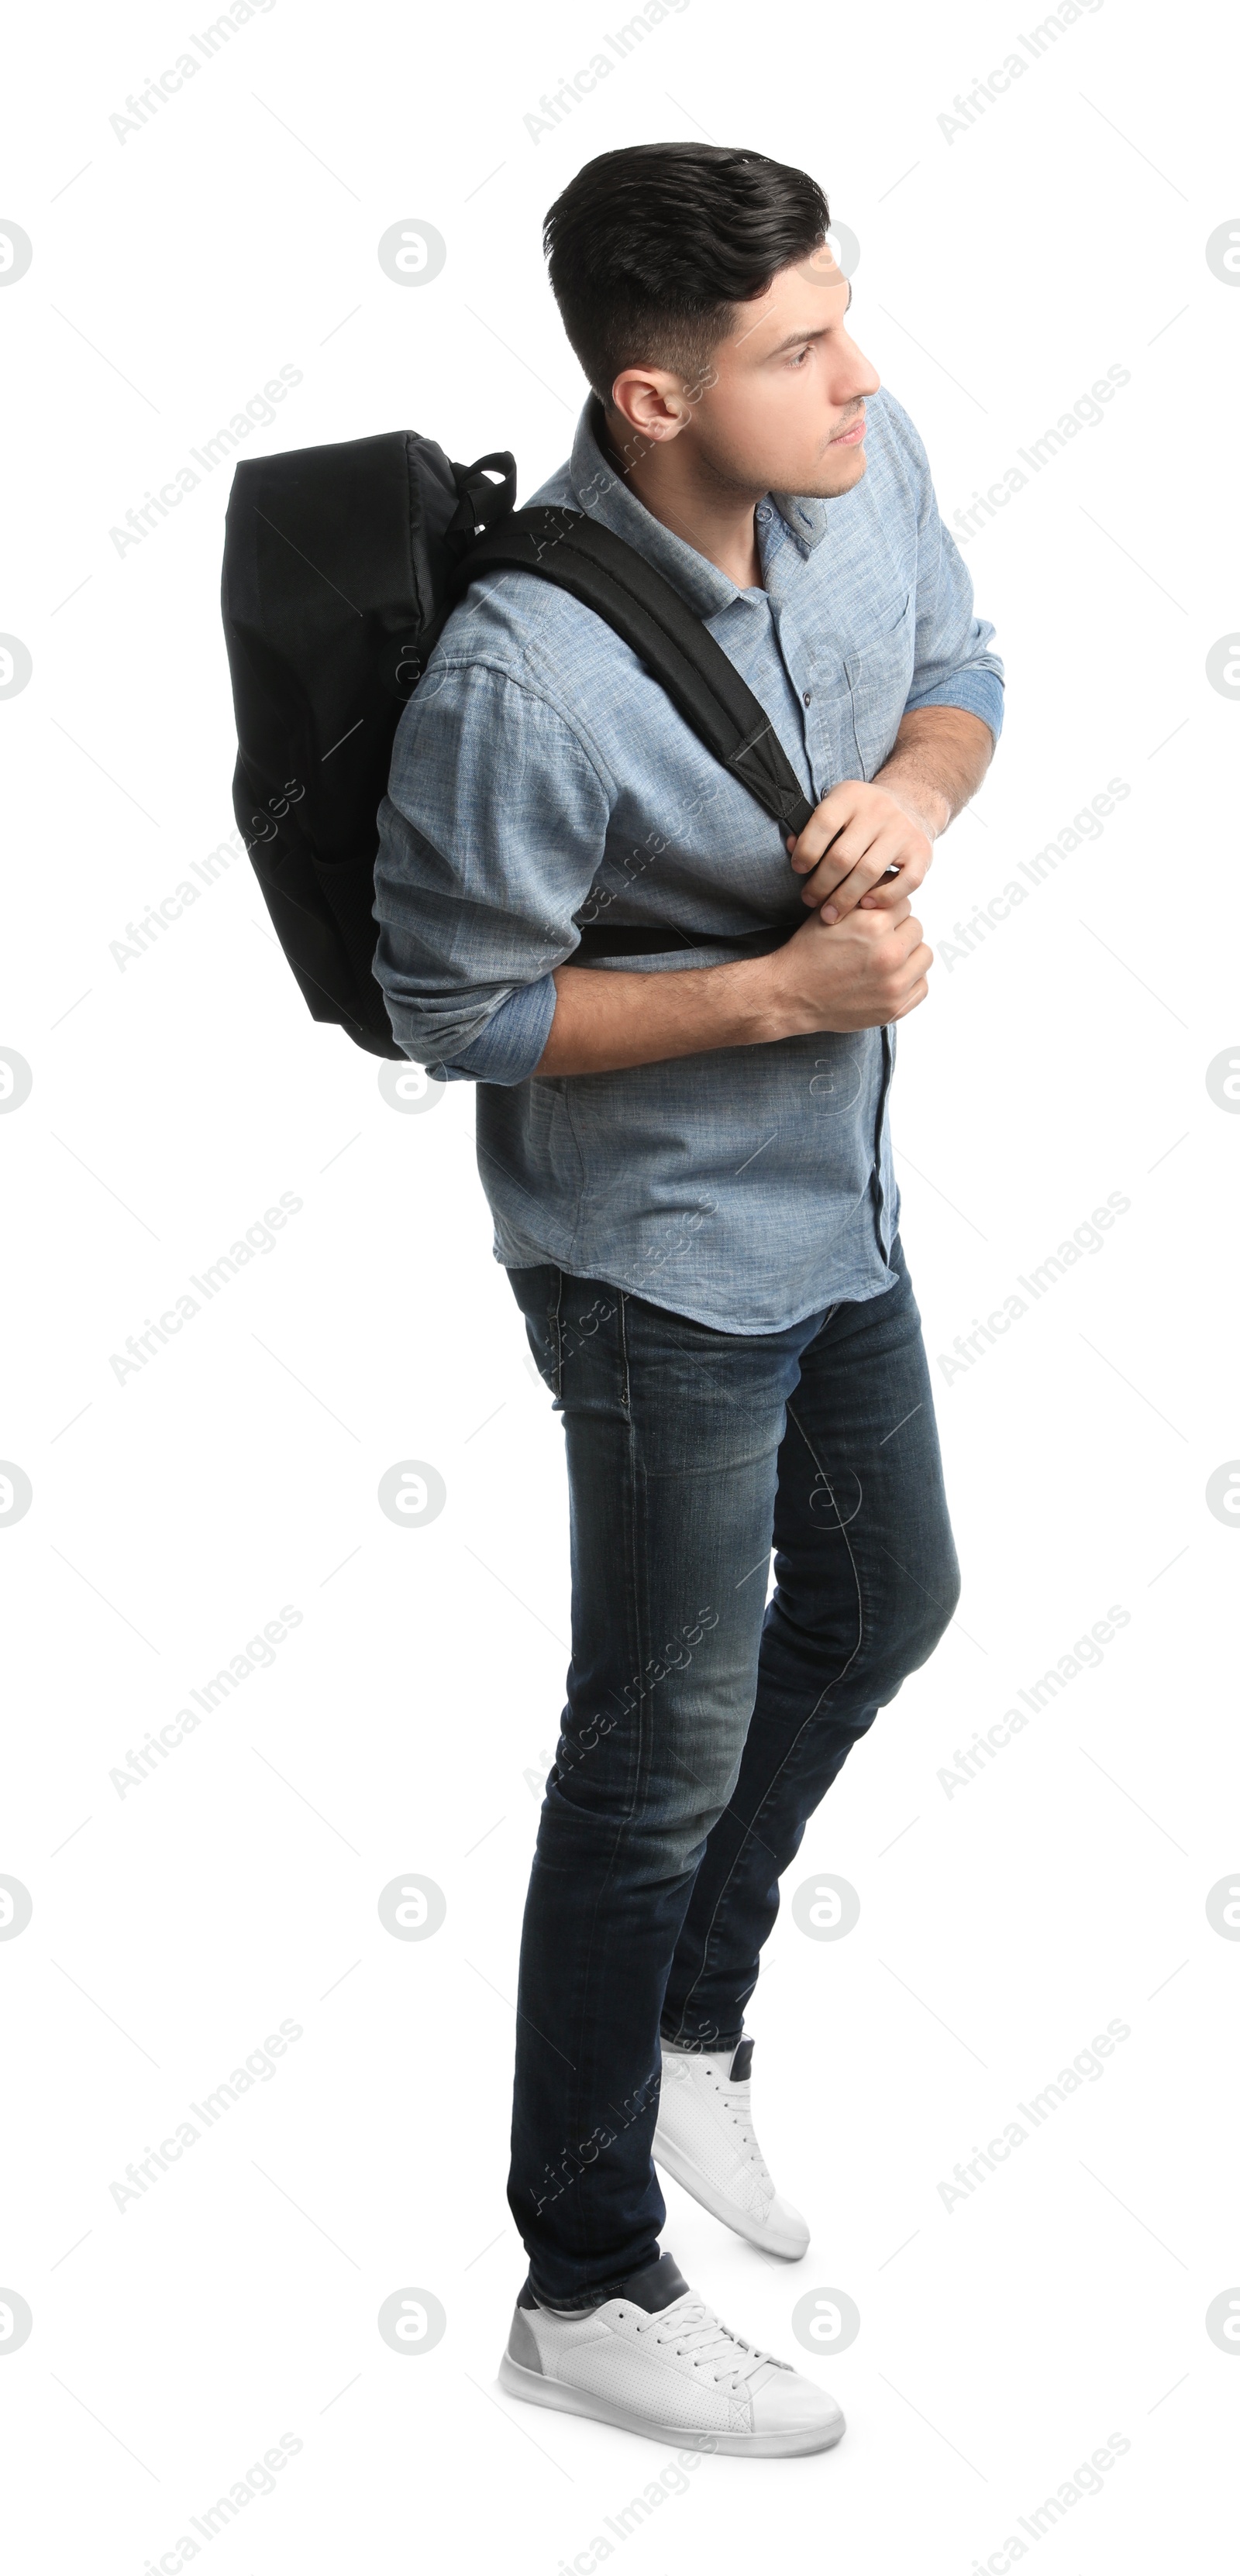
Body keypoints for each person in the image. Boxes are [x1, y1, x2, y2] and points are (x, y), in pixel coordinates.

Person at [374, 141, 1002, 2458]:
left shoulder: (863, 462)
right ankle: (584, 2276)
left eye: (845, 317)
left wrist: (918, 804)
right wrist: (780, 991)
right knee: (649, 1759)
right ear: (654, 400)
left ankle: (683, 2030)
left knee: (894, 1600)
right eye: (793, 352)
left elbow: (958, 666)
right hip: (653, 1270)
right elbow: (456, 1006)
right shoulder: (517, 682)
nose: (856, 379)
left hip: (837, 1210)